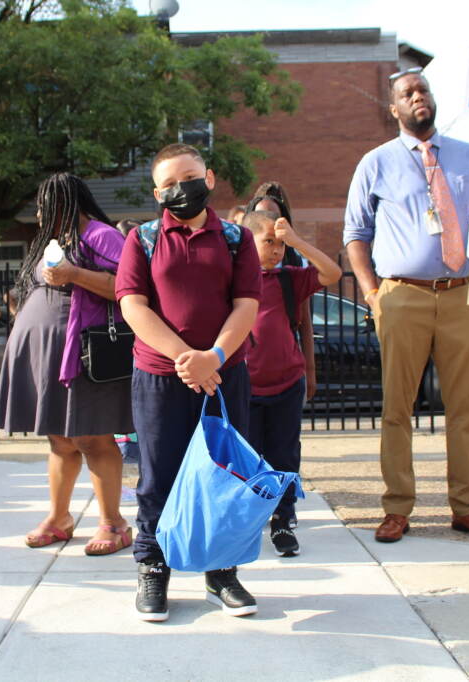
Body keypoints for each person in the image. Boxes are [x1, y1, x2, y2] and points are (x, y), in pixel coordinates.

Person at [343, 67, 469, 544]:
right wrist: (373, 294)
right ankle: (397, 508)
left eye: (423, 89)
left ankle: (468, 508)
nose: (418, 97)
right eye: (406, 93)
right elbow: (355, 234)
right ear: (393, 109)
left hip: (462, 294)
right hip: (401, 295)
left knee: (465, 409)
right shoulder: (375, 163)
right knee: (398, 408)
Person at [116, 143, 261, 621]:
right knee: (158, 476)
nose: (182, 189)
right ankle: (153, 568)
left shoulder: (238, 238)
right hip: (160, 376)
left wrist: (214, 356)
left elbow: (246, 304)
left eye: (191, 177)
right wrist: (184, 357)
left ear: (210, 177)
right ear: (158, 192)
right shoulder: (144, 239)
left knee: (223, 474)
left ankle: (222, 574)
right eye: (171, 183)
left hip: (224, 375)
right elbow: (133, 305)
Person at [0, 172, 134, 556]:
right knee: (60, 439)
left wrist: (73, 274)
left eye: (45, 205)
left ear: (66, 204)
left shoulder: (102, 235)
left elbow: (127, 286)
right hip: (49, 355)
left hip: (87, 356)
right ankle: (59, 519)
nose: (39, 213)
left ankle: (114, 524)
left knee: (93, 437)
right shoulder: (55, 241)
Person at [243, 210, 341, 558]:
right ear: (247, 240)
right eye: (268, 241)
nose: (275, 249)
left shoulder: (290, 278)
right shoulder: (234, 281)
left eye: (280, 244)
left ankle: (283, 521)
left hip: (286, 384)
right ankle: (251, 521)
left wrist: (296, 241)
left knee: (284, 457)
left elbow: (332, 272)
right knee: (249, 460)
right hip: (246, 387)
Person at [246, 181, 318, 402]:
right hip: (247, 372)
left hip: (286, 373)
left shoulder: (294, 264)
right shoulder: (237, 263)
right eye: (261, 216)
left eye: (275, 217)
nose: (269, 222)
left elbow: (304, 322)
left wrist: (310, 371)